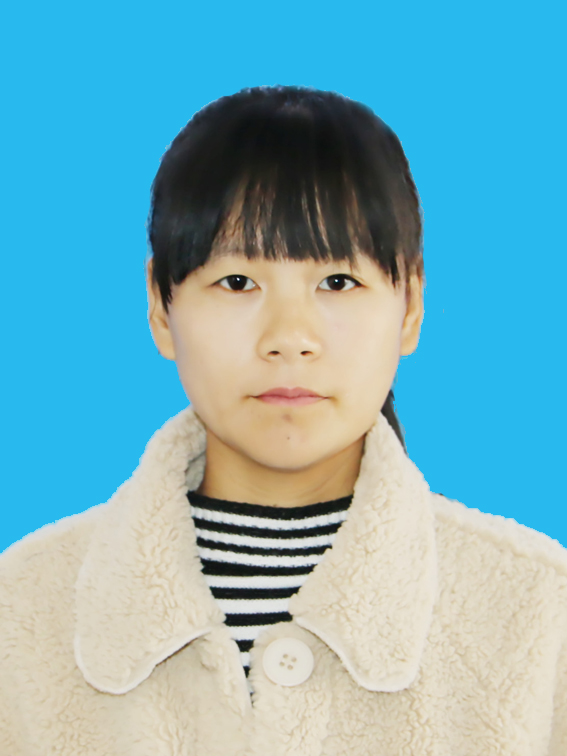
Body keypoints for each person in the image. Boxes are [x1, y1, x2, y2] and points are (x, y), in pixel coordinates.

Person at [1, 84, 565, 755]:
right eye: (238, 283)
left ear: (410, 306)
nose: (290, 338)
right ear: (160, 307)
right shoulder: (23, 609)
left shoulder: (538, 613)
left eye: (338, 282)